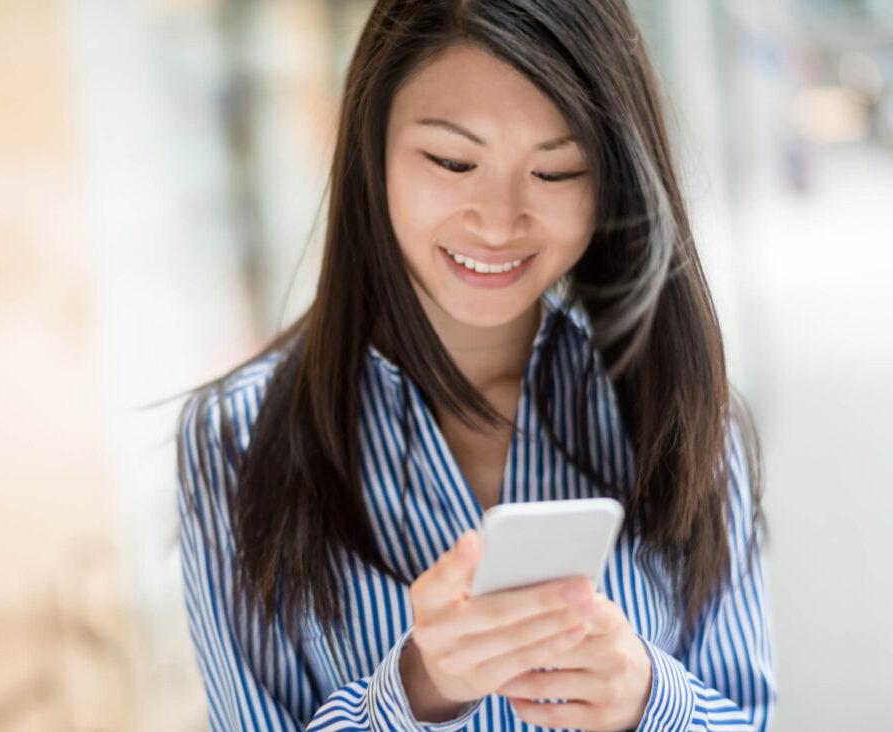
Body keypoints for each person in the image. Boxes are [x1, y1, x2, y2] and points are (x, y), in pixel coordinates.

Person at [175, 1, 778, 729]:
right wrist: (415, 692)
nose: (498, 221)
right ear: (371, 155)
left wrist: (648, 700)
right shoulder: (235, 438)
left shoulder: (678, 411)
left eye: (557, 171)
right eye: (452, 161)